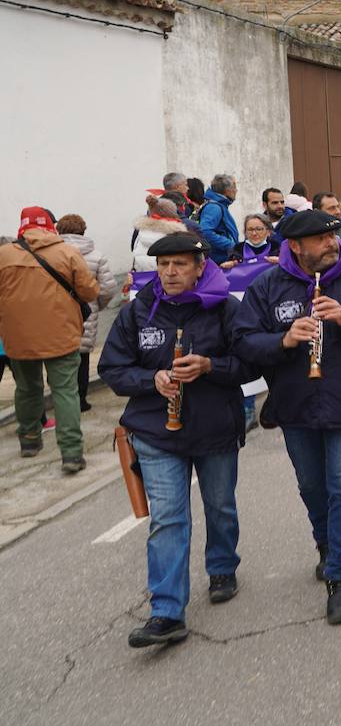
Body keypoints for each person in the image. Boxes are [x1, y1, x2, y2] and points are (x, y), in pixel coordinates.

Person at [232, 209, 341, 625]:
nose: (332, 243)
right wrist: (284, 340)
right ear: (295, 247)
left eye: (333, 236)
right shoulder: (268, 286)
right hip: (295, 404)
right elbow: (244, 342)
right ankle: (326, 543)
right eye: (322, 240)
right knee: (312, 486)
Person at [99, 233, 256, 648]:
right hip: (155, 431)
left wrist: (210, 366)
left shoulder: (225, 308)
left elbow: (250, 363)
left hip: (214, 426)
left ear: (200, 267)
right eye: (163, 265)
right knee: (167, 518)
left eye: (179, 265)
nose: (169, 273)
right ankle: (167, 611)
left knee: (220, 506)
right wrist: (151, 380)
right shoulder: (137, 313)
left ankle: (222, 566)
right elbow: (112, 368)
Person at [0, 208, 100, 468]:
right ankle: (71, 453)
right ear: (49, 226)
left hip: (18, 335)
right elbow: (89, 291)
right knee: (65, 391)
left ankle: (30, 440)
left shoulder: (4, 254)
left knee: (26, 388)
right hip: (61, 334)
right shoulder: (67, 252)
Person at [55, 214, 118, 412]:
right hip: (86, 311)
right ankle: (81, 400)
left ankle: (63, 400)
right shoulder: (96, 255)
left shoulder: (51, 254)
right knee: (82, 357)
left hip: (56, 312)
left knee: (59, 357)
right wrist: (98, 304)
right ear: (83, 231)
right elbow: (108, 288)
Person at [196, 175, 240, 265]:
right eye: (235, 187)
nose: (236, 190)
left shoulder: (218, 205)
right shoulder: (214, 207)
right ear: (227, 190)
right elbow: (205, 231)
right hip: (219, 261)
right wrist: (230, 245)